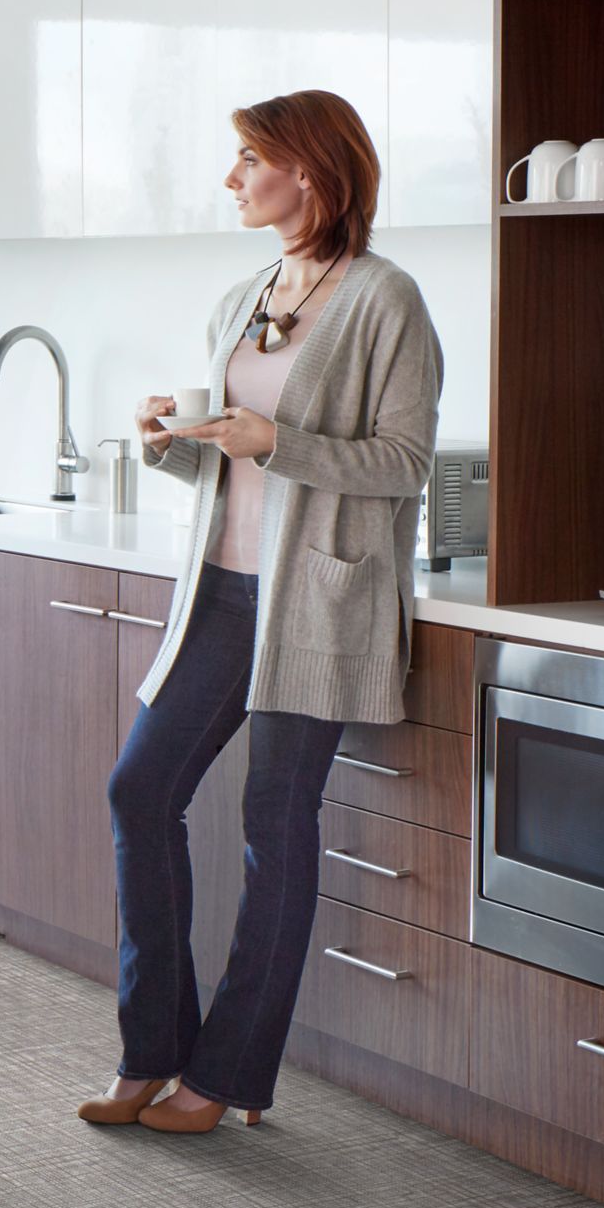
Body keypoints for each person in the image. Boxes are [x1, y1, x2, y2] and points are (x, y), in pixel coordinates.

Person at [79, 88, 441, 1137]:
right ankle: (150, 1051)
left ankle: (226, 1074)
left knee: (270, 826)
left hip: (316, 603)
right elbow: (234, 464)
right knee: (138, 793)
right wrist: (172, 439)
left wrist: (273, 443)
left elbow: (404, 464)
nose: (232, 178)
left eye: (248, 159)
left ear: (310, 172)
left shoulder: (384, 301)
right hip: (221, 596)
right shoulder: (245, 294)